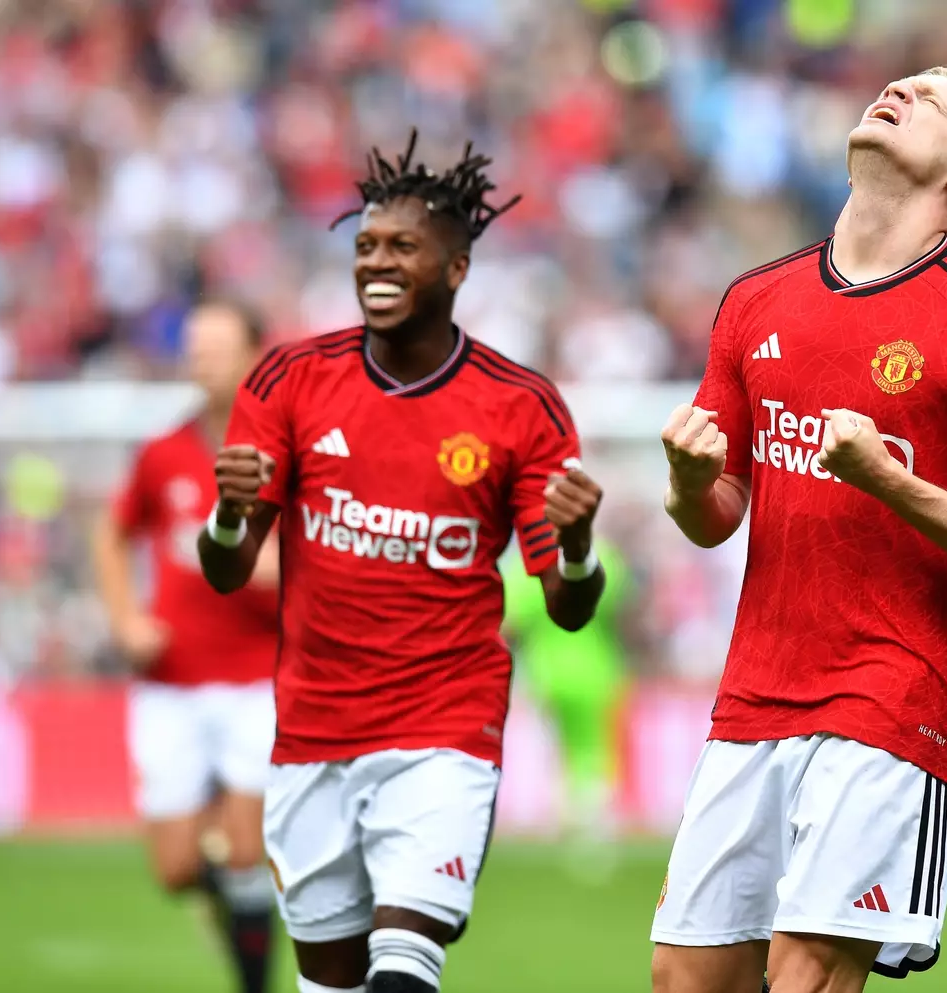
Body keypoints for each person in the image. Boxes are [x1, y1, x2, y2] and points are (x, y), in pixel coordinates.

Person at [650, 67, 947, 993]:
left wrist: (890, 483)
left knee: (804, 975)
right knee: (685, 977)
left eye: (935, 100)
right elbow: (716, 514)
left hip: (896, 698)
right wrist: (687, 482)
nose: (900, 90)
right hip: (755, 693)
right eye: (899, 84)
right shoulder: (754, 301)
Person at [198, 131, 608, 993]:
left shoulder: (520, 407)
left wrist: (575, 545)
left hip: (442, 735)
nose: (377, 264)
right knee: (332, 982)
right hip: (312, 733)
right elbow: (227, 571)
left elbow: (568, 606)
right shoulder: (288, 382)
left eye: (403, 247)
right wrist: (232, 515)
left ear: (456, 269)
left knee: (401, 972)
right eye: (365, 247)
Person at [92, 299, 280, 993]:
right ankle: (240, 911)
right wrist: (125, 619)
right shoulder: (162, 449)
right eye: (193, 346)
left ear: (256, 356)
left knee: (244, 849)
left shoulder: (289, 450)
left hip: (257, 677)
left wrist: (275, 565)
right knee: (175, 867)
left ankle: (255, 982)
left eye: (215, 346)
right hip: (170, 681)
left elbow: (331, 550)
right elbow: (111, 534)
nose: (199, 358)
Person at [501, 536, 630, 876]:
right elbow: (621, 607)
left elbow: (509, 624)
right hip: (596, 670)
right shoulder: (605, 556)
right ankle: (593, 836)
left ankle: (568, 824)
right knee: (594, 752)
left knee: (559, 753)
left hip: (547, 673)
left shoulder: (527, 567)